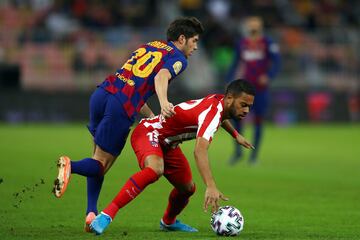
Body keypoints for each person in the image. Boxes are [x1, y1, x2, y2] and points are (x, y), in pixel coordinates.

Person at [52, 17, 204, 232]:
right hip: (119, 107)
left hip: (103, 93)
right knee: (100, 165)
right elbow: (161, 77)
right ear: (181, 39)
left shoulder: (150, 45)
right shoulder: (178, 58)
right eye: (194, 41)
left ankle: (90, 212)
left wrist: (150, 116)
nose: (196, 47)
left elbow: (134, 86)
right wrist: (163, 102)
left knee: (98, 159)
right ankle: (70, 165)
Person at [89, 79, 255, 235]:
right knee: (155, 169)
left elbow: (221, 118)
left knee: (187, 188)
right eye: (243, 105)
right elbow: (199, 151)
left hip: (168, 144)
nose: (246, 110)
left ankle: (168, 222)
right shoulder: (212, 114)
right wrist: (211, 185)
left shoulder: (220, 102)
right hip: (149, 132)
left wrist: (235, 134)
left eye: (249, 106)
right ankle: (106, 215)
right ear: (230, 99)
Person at [227, 16, 281, 165]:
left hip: (260, 89)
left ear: (260, 26)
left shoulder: (268, 43)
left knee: (258, 121)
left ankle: (254, 155)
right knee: (236, 118)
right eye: (251, 24)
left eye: (255, 25)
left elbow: (277, 63)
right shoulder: (242, 43)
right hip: (243, 89)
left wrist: (269, 76)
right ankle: (238, 152)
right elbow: (235, 62)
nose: (253, 27)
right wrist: (229, 79)